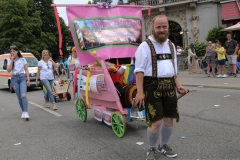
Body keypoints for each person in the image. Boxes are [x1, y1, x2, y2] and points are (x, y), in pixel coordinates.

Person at [134, 15, 187, 160]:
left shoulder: (170, 45)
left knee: (169, 119)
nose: (161, 30)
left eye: (164, 27)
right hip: (152, 86)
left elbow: (173, 70)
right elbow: (139, 71)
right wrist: (139, 92)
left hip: (169, 86)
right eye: (158, 27)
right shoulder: (144, 46)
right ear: (153, 28)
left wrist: (179, 85)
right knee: (156, 121)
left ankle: (163, 146)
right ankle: (151, 149)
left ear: (168, 28)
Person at [7, 45, 30, 120]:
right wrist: (12, 60)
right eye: (11, 51)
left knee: (23, 94)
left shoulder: (22, 59)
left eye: (14, 51)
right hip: (14, 79)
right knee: (19, 97)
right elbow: (9, 70)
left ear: (17, 51)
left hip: (22, 77)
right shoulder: (9, 59)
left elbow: (26, 69)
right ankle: (23, 111)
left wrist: (28, 79)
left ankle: (26, 112)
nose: (12, 52)